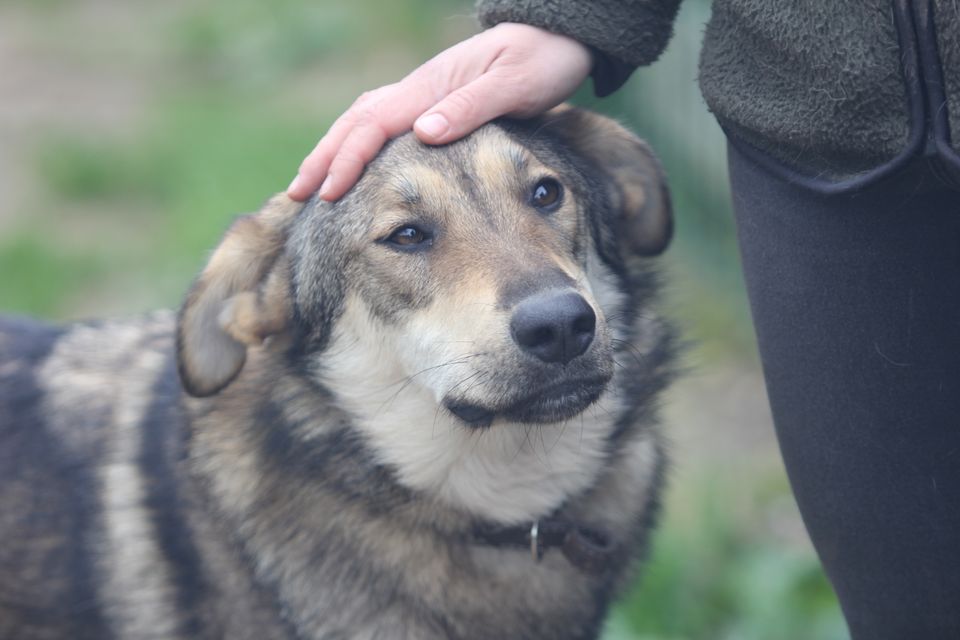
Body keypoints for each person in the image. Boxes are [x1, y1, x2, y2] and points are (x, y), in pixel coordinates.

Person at [287, 1, 960, 638]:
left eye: (544, 193)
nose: (551, 310)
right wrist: (574, 15)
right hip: (828, 133)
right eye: (408, 235)